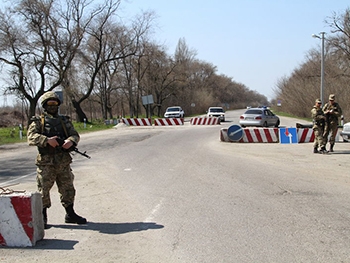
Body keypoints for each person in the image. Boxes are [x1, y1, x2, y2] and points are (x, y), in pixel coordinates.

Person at [27, 91, 87, 229]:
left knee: (68, 188)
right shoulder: (38, 121)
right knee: (44, 190)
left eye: (55, 103)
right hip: (46, 162)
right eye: (50, 103)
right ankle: (43, 217)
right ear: (45, 105)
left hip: (63, 161)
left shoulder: (64, 120)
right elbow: (31, 137)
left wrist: (70, 141)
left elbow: (74, 135)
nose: (53, 106)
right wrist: (46, 140)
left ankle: (70, 214)